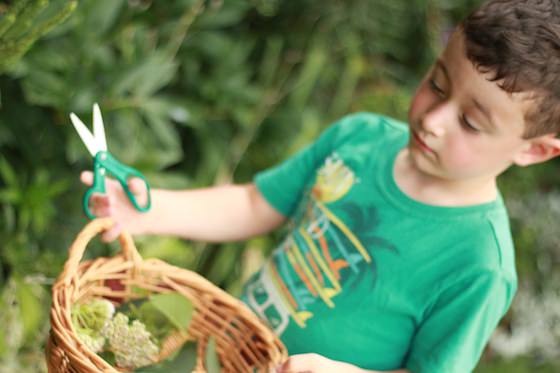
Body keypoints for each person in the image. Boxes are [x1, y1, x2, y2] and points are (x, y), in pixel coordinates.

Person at [80, 0, 560, 371]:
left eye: (471, 123)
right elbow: (253, 203)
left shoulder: (478, 265)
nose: (434, 120)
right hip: (228, 348)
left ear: (533, 150)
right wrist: (148, 211)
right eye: (437, 82)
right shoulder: (360, 138)